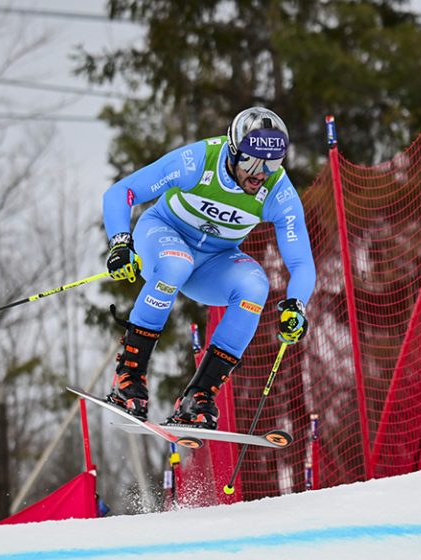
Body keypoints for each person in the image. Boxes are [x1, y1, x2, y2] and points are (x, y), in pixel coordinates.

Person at [101, 107, 316, 429]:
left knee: (255, 286)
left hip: (214, 260)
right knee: (177, 263)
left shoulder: (277, 190)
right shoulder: (198, 161)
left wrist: (297, 305)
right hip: (161, 236)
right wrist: (120, 242)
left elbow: (300, 262)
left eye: (273, 163)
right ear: (233, 151)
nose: (261, 173)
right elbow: (122, 192)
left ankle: (198, 398)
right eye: (252, 162)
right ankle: (128, 376)